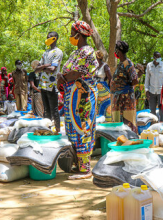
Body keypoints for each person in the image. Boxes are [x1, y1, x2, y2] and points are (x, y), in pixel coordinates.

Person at [57, 21, 99, 180]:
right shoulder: (77, 52)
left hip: (83, 96)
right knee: (73, 129)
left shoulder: (87, 51)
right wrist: (62, 78)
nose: (70, 36)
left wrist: (63, 78)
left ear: (79, 35)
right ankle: (78, 165)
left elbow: (75, 74)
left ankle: (85, 169)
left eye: (71, 32)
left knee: (83, 128)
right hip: (73, 96)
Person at [35, 31, 63, 131]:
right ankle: (47, 130)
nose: (47, 38)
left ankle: (58, 130)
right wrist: (45, 66)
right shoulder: (45, 53)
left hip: (52, 85)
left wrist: (42, 67)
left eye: (50, 36)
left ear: (55, 38)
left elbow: (53, 69)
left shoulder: (58, 52)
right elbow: (36, 69)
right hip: (43, 84)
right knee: (46, 110)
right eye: (47, 36)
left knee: (54, 109)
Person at [110, 41, 138, 133]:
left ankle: (130, 140)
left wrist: (125, 86)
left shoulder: (127, 63)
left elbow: (135, 80)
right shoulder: (121, 63)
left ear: (118, 51)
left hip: (126, 99)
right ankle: (121, 140)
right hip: (119, 98)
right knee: (118, 122)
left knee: (128, 121)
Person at [94, 50, 112, 121]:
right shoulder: (95, 66)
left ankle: (107, 124)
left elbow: (110, 78)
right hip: (96, 88)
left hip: (104, 90)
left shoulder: (105, 66)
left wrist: (109, 88)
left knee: (106, 106)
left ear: (98, 57)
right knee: (97, 107)